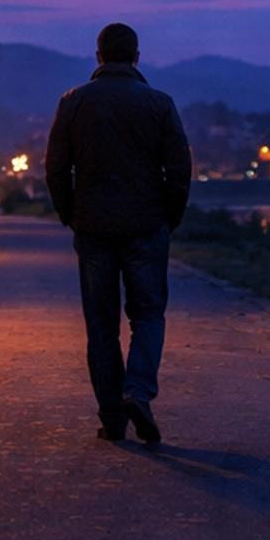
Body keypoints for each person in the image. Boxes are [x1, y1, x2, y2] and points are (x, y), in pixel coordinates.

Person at [45, 22, 192, 445]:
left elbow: (56, 167)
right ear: (136, 57)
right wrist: (169, 216)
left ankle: (112, 417)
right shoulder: (159, 104)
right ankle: (138, 391)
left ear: (99, 58)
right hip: (147, 225)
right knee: (148, 314)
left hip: (93, 226)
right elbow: (179, 169)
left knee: (101, 324)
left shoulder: (73, 102)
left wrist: (69, 213)